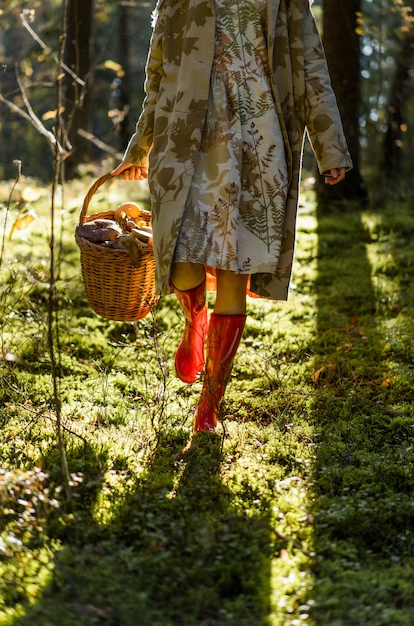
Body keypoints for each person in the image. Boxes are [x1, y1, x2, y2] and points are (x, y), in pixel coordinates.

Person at [113, 0, 352, 433]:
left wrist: (329, 145)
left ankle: (210, 404)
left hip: (260, 140)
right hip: (189, 137)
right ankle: (195, 322)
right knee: (183, 261)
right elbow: (158, 74)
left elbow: (312, 66)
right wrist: (141, 145)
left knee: (234, 267)